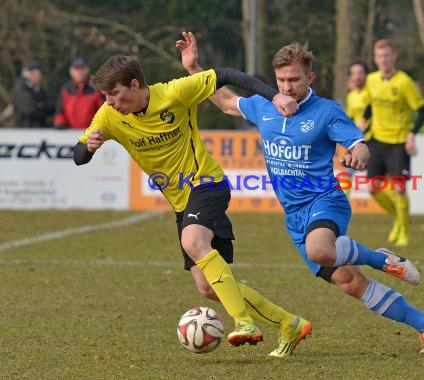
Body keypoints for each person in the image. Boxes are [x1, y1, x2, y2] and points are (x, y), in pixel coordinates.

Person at [179, 32, 424, 353]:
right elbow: (225, 102)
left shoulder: (326, 111)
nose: (286, 87)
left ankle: (379, 258)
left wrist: (355, 158)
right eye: (280, 79)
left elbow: (360, 146)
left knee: (320, 250)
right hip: (294, 218)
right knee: (350, 283)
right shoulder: (265, 106)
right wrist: (194, 66)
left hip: (326, 201)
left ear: (310, 77)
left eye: (294, 80)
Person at [72, 51, 313, 358]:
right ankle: (288, 323)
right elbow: (77, 155)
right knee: (208, 288)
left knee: (193, 240)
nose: (109, 102)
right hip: (180, 202)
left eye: (114, 94)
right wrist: (89, 149)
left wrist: (275, 96)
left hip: (206, 184)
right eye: (105, 96)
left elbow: (225, 74)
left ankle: (244, 322)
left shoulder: (174, 92)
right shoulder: (108, 115)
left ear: (135, 85)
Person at [360, 39, 424, 247]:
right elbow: (370, 105)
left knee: (399, 188)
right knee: (372, 188)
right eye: (380, 56)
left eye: (387, 55)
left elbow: (423, 110)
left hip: (398, 141)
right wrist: (364, 121)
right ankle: (399, 217)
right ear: (375, 58)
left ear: (394, 56)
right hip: (377, 140)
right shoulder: (371, 80)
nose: (383, 59)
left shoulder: (404, 82)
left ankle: (404, 232)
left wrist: (412, 134)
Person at [341, 61, 370, 198]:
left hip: (374, 139)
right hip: (358, 140)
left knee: (376, 182)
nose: (357, 76)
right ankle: (342, 206)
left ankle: (400, 215)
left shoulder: (371, 92)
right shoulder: (351, 96)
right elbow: (350, 117)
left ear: (366, 75)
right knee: (348, 173)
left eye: (360, 73)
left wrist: (365, 122)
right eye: (353, 73)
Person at [54, 57, 104, 129]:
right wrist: (60, 123)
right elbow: (59, 111)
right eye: (76, 69)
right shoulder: (66, 90)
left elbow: (103, 113)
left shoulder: (96, 90)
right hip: (67, 135)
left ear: (88, 69)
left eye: (82, 68)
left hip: (91, 135)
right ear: (71, 71)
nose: (80, 72)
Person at [10, 60, 53, 127]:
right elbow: (29, 109)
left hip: (38, 128)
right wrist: (42, 107)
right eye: (39, 73)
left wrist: (41, 106)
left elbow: (50, 107)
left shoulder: (38, 88)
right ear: (30, 73)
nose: (41, 77)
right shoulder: (20, 88)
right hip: (25, 129)